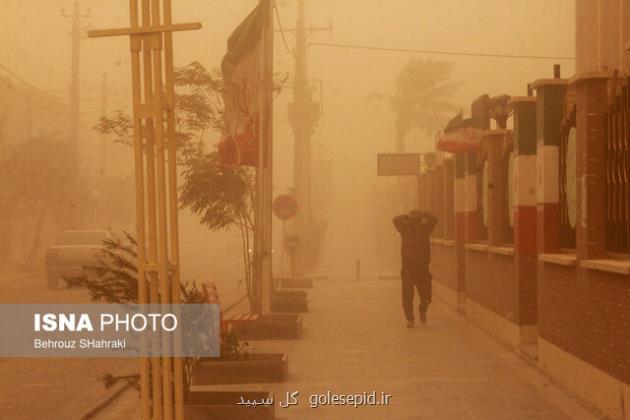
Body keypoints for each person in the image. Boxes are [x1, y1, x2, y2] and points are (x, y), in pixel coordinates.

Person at [393, 210, 438, 327]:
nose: (414, 220)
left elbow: (434, 219)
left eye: (416, 217)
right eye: (413, 217)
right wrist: (406, 217)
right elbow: (395, 220)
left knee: (426, 295)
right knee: (407, 295)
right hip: (408, 267)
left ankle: (422, 309)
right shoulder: (405, 228)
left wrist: (423, 215)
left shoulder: (424, 228)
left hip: (422, 267)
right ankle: (410, 319)